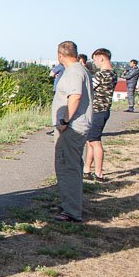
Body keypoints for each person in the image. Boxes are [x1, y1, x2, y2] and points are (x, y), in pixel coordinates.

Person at [52, 41, 92, 221]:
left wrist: (65, 120)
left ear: (60, 55)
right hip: (75, 126)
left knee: (68, 167)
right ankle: (69, 203)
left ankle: (72, 211)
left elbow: (75, 96)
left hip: (72, 127)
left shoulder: (74, 72)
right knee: (69, 165)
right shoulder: (80, 70)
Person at [83, 48, 117, 181]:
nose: (94, 62)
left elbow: (88, 88)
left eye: (95, 59)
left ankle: (98, 173)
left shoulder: (101, 75)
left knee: (95, 142)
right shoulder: (113, 74)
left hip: (97, 110)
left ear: (101, 58)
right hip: (104, 110)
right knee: (90, 141)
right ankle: (87, 169)